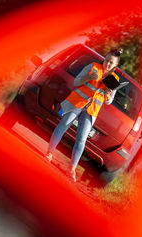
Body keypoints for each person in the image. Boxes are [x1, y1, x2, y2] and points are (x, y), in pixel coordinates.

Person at [44, 48, 123, 181]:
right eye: (107, 60)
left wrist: (109, 93)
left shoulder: (114, 79)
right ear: (105, 59)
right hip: (77, 103)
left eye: (111, 63)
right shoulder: (92, 66)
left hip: (91, 110)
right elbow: (76, 82)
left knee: (81, 139)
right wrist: (88, 78)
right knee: (63, 125)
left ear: (115, 66)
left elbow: (108, 102)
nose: (108, 64)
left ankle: (72, 169)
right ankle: (49, 153)